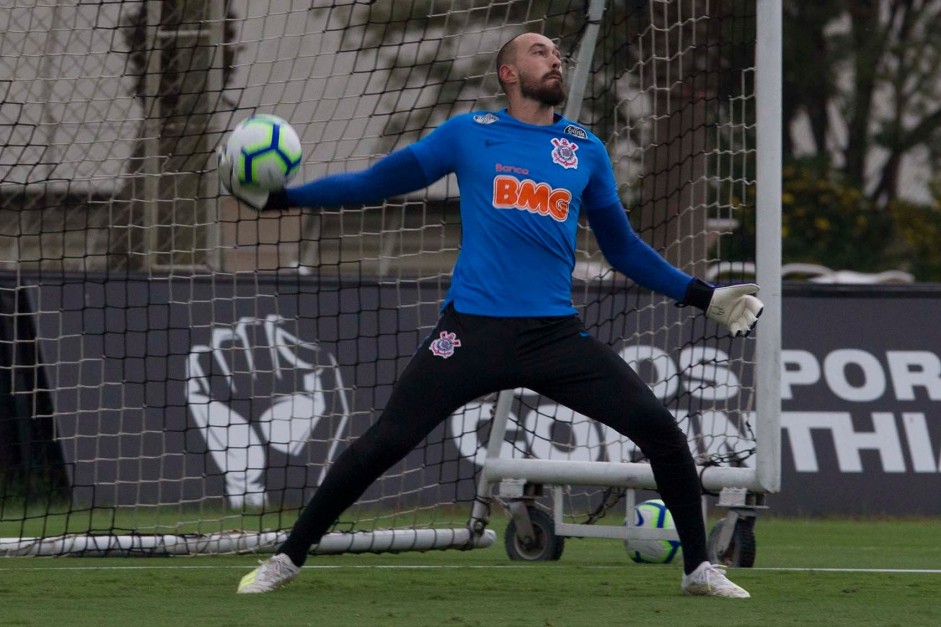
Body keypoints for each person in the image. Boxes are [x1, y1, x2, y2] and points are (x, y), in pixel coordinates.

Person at [219, 32, 762, 598]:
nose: (555, 59)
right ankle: (287, 557)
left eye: (557, 54)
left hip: (553, 335)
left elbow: (622, 248)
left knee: (663, 433)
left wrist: (703, 296)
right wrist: (288, 200)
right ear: (508, 73)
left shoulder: (585, 149)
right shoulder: (469, 134)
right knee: (384, 441)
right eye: (539, 52)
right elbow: (379, 182)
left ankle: (698, 569)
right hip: (471, 331)